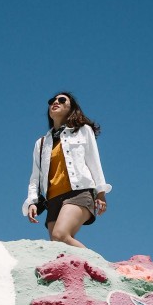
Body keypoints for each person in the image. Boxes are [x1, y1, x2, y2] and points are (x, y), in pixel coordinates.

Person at [23, 92, 112, 249]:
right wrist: (32, 202)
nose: (55, 102)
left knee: (60, 235)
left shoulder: (83, 130)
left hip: (79, 192)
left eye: (62, 100)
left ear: (71, 108)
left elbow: (94, 160)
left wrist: (101, 192)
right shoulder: (41, 143)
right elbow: (35, 177)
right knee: (58, 247)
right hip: (52, 199)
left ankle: (101, 268)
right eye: (52, 100)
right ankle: (84, 273)